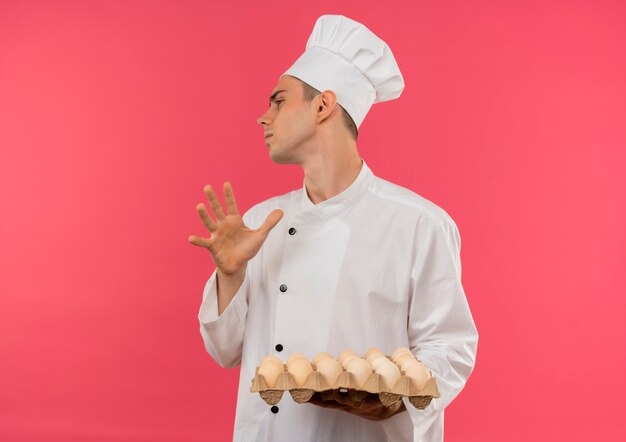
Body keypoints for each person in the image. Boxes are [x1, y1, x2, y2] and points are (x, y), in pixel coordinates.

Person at [188, 14, 478, 442]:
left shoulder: (419, 224)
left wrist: (397, 396)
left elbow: (449, 350)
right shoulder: (259, 225)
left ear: (322, 105)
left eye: (278, 101)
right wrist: (230, 276)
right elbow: (225, 352)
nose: (262, 118)